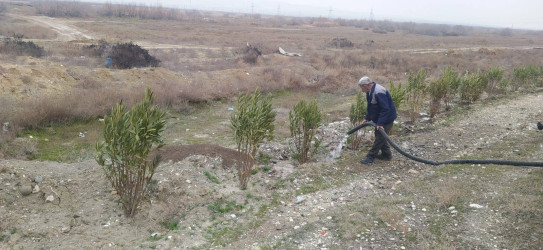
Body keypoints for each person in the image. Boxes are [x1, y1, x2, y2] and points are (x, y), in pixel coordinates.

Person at [357, 76, 397, 164]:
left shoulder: (379, 92)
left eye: (362, 87)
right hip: (381, 117)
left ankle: (370, 157)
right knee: (380, 136)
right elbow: (372, 107)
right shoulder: (369, 91)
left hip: (387, 117)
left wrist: (380, 123)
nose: (361, 89)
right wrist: (367, 118)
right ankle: (386, 155)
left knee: (379, 138)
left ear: (367, 85)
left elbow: (385, 109)